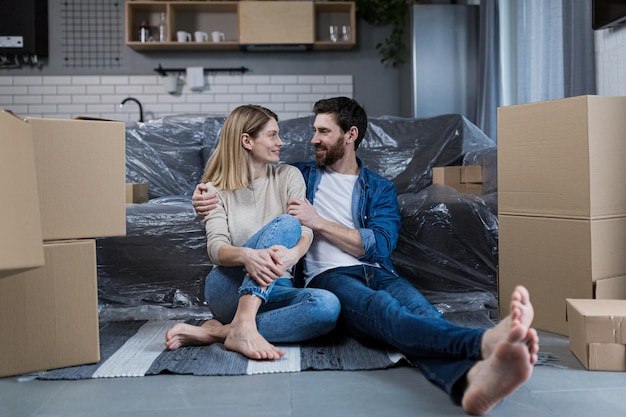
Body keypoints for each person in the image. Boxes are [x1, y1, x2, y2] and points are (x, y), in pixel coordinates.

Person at [192, 97, 539, 415]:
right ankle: (480, 342)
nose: (313, 139)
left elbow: (381, 245)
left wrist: (319, 222)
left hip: (379, 272)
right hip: (330, 277)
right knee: (384, 313)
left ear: (350, 135)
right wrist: (201, 196)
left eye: (323, 131)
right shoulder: (300, 174)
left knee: (423, 314)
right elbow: (243, 171)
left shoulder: (380, 188)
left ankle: (468, 383)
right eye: (314, 131)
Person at [166, 104, 340, 361]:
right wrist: (247, 256)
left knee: (327, 307)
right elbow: (216, 249)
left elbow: (306, 230)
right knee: (286, 224)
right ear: (247, 140)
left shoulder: (289, 176)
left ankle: (221, 332)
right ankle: (244, 320)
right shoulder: (214, 190)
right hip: (228, 287)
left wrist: (293, 254)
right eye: (272, 135)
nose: (280, 142)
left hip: (277, 287)